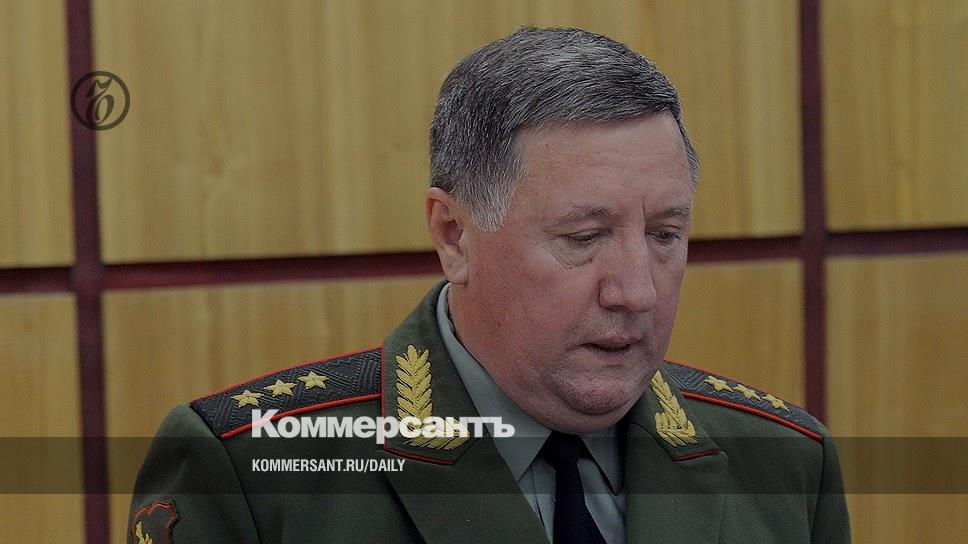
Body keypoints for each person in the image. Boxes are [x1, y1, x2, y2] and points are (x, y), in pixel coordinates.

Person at [129, 27, 850, 544]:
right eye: (583, 238)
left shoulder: (786, 462)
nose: (637, 292)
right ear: (454, 235)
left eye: (665, 234)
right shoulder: (256, 473)